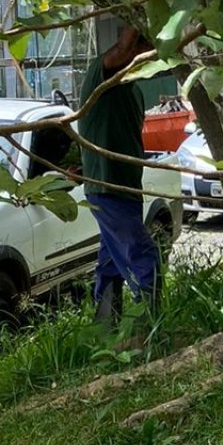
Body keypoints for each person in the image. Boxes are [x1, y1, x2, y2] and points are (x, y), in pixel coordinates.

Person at [78, 25, 161, 325]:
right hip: (106, 186)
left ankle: (104, 327)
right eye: (143, 48)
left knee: (111, 260)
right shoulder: (99, 79)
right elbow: (124, 51)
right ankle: (151, 330)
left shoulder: (134, 92)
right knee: (144, 257)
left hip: (126, 188)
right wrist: (137, 6)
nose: (146, 56)